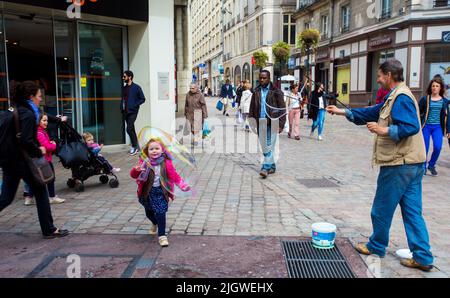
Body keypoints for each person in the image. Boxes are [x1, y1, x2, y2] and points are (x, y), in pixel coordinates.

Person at [326, 59, 434, 272]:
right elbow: (374, 112)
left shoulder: (401, 97)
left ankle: (376, 245)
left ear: (389, 75)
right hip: (412, 163)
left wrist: (385, 131)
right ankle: (423, 256)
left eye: (379, 75)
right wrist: (343, 112)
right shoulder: (396, 96)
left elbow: (411, 126)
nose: (377, 79)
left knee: (381, 209)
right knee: (413, 212)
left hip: (399, 163)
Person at [0, 81, 69, 239]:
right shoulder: (29, 114)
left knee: (7, 197)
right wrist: (39, 150)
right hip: (19, 160)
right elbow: (25, 140)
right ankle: (49, 229)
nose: (40, 100)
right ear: (31, 97)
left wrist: (57, 120)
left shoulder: (15, 109)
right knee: (40, 190)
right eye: (39, 97)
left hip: (9, 160)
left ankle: (49, 229)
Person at [130, 138, 191, 247]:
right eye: (151, 149)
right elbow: (134, 176)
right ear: (147, 151)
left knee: (161, 213)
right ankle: (154, 222)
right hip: (147, 192)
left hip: (161, 192)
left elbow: (174, 175)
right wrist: (136, 170)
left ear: (162, 150)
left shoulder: (166, 163)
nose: (154, 151)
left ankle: (162, 236)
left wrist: (181, 185)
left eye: (157, 148)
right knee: (149, 212)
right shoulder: (144, 163)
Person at [249, 70, 286, 179]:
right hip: (261, 122)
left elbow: (282, 109)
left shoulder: (276, 91)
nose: (261, 80)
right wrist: (252, 123)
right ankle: (272, 165)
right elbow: (252, 108)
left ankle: (265, 168)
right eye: (260, 78)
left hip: (274, 121)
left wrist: (281, 124)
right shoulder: (256, 91)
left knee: (270, 145)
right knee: (264, 146)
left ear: (269, 78)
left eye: (264, 78)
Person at [419, 77, 450, 176]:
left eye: (437, 86)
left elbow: (448, 116)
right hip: (426, 127)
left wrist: (448, 130)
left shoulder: (444, 101)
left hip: (437, 128)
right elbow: (418, 112)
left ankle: (431, 165)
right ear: (430, 87)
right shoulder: (425, 99)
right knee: (425, 148)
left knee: (437, 147)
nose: (435, 88)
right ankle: (423, 167)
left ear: (440, 88)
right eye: (433, 86)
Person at [121, 70, 146, 156]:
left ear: (129, 77)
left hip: (133, 111)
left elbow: (142, 98)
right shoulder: (124, 88)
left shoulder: (136, 87)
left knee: (128, 129)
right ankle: (137, 147)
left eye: (124, 77)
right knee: (132, 129)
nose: (123, 78)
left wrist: (134, 105)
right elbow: (123, 99)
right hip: (125, 111)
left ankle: (134, 146)